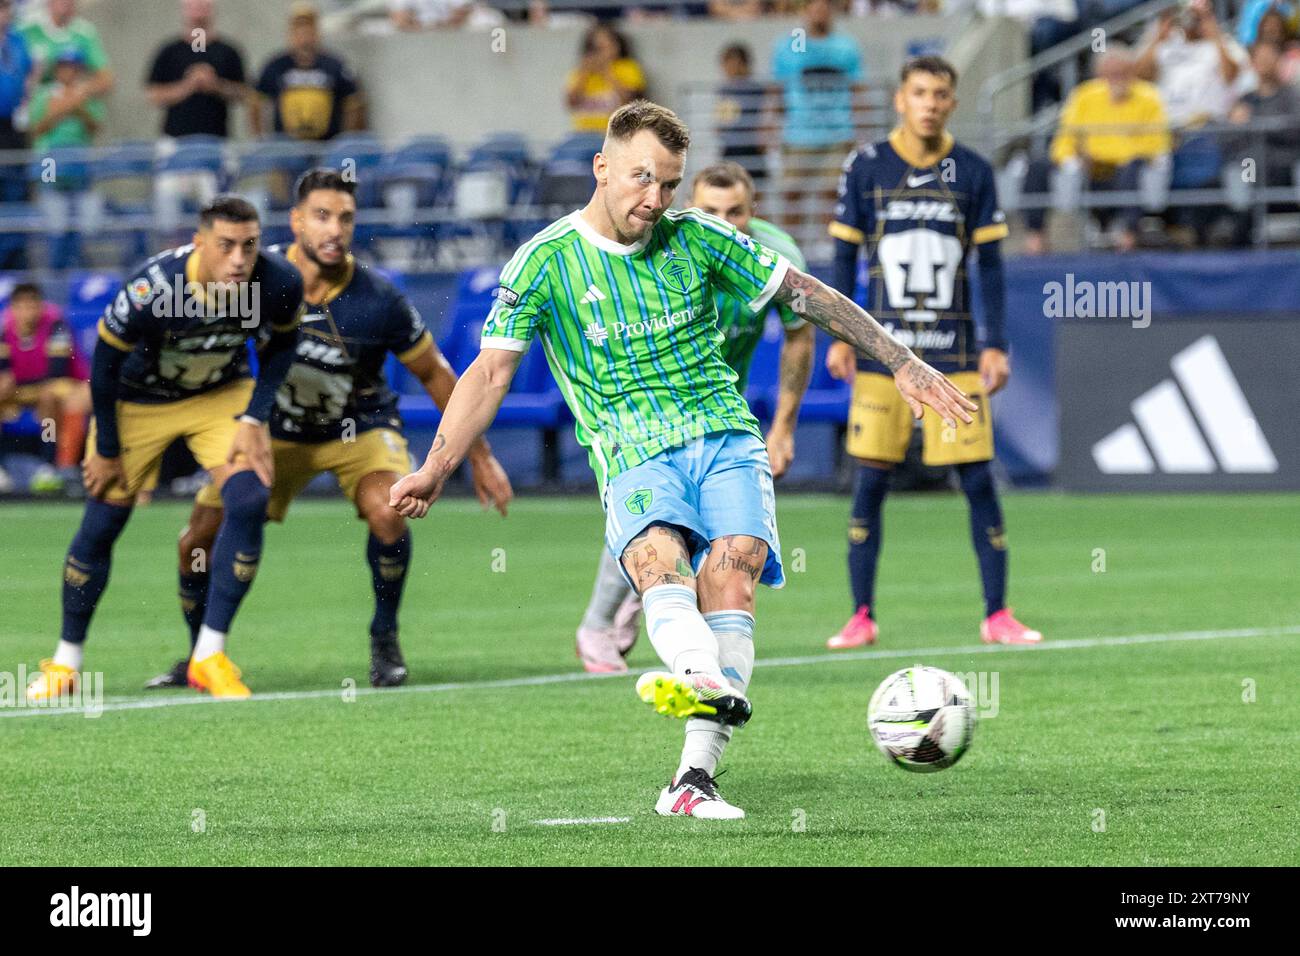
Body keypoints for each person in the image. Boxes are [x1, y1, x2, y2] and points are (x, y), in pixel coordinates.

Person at [387, 100, 975, 819]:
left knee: (734, 575)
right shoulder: (544, 261)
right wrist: (435, 466)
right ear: (602, 168)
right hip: (632, 448)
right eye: (642, 179)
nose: (655, 199)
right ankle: (702, 673)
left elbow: (806, 296)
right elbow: (487, 375)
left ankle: (693, 781)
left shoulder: (697, 237)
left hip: (725, 436)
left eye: (669, 183)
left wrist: (902, 360)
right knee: (658, 561)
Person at [144, 169, 514, 691]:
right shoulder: (255, 274)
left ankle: (384, 638)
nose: (334, 229)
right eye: (321, 216)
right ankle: (198, 655)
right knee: (195, 541)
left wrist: (477, 454)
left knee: (389, 512)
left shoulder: (379, 299)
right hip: (269, 428)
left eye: (345, 218)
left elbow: (434, 372)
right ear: (296, 221)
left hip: (357, 427)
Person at [23, 195, 304, 703]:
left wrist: (255, 418)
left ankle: (209, 656)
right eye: (226, 246)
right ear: (199, 244)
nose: (239, 259)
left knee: (249, 499)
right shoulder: (155, 287)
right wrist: (106, 446)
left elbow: (283, 346)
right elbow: (105, 363)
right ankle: (66, 663)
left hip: (220, 396)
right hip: (139, 401)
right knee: (103, 520)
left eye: (249, 245)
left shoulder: (278, 281)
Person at [825, 56, 1043, 650]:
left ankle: (998, 614)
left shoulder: (972, 170)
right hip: (881, 357)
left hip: (954, 354)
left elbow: (992, 265)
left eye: (940, 94)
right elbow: (843, 260)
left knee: (976, 479)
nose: (929, 103)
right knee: (869, 481)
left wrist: (996, 343)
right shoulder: (866, 167)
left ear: (951, 102)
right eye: (919, 92)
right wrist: (841, 337)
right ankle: (860, 615)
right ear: (901, 99)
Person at [574, 160, 814, 674]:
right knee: (651, 515)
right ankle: (602, 623)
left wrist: (784, 428)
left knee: (719, 537)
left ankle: (683, 640)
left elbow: (800, 335)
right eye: (710, 212)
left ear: (756, 212)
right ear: (687, 208)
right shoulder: (661, 248)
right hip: (647, 411)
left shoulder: (774, 257)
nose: (724, 225)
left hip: (721, 413)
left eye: (736, 214)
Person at [1022, 44, 1171, 254]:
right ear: (1100, 74)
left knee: (1133, 168)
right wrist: (1073, 160)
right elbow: (1064, 141)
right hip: (1086, 170)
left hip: (1125, 171)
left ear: (1132, 72)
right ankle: (1035, 238)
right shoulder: (1084, 96)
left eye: (1122, 73)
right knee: (1037, 166)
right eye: (1111, 74)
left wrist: (1105, 155)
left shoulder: (1150, 97)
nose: (1117, 79)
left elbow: (1156, 145)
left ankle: (1128, 237)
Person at [771, 0, 863, 238]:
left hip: (838, 134)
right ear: (804, 10)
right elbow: (776, 92)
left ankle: (833, 249)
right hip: (798, 135)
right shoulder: (788, 47)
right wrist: (770, 130)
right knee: (791, 195)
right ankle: (790, 251)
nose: (819, 11)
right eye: (813, 5)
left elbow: (858, 92)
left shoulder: (846, 47)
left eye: (824, 6)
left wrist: (861, 132)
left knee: (832, 196)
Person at [0, 280, 88, 491]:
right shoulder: (4, 331)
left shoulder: (56, 326)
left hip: (62, 387)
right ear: (13, 309)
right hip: (22, 390)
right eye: (21, 307)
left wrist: (16, 388)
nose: (27, 312)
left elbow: (56, 372)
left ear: (40, 306)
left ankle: (50, 462)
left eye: (31, 306)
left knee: (48, 396)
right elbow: (3, 370)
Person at [28, 47, 103, 269]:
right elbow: (38, 127)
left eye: (73, 67)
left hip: (79, 166)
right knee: (56, 225)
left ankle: (78, 270)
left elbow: (94, 127)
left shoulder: (86, 94)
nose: (68, 72)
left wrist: (77, 106)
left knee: (82, 223)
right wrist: (68, 105)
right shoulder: (44, 94)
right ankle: (56, 272)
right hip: (51, 162)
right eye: (64, 67)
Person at [251, 1, 364, 141]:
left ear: (317, 32)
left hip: (327, 146)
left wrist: (345, 142)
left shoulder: (336, 66)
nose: (304, 37)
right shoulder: (275, 66)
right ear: (290, 33)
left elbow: (354, 104)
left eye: (308, 30)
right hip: (287, 149)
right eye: (298, 30)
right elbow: (255, 102)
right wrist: (261, 140)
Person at [145, 0, 247, 139]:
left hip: (218, 137)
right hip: (174, 137)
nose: (198, 13)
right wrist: (187, 86)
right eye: (193, 6)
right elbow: (153, 95)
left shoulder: (228, 52)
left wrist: (215, 85)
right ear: (184, 10)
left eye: (203, 6)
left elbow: (243, 93)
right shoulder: (168, 52)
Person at [18, 0, 112, 97]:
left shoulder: (85, 32)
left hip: (70, 97)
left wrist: (76, 92)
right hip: (31, 97)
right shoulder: (28, 29)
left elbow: (105, 79)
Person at [565, 23, 645, 134]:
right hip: (584, 134)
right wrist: (584, 74)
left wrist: (606, 72)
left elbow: (631, 103)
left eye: (605, 46)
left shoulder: (628, 67)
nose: (601, 53)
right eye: (596, 48)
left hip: (617, 134)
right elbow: (571, 103)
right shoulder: (582, 71)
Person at [0, 0, 32, 270]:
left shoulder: (18, 42)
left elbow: (29, 76)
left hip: (11, 129)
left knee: (16, 195)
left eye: (3, 8)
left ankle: (13, 265)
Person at [715, 43, 770, 189]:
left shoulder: (756, 89)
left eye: (732, 63)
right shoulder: (724, 89)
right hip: (731, 147)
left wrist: (763, 135)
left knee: (755, 189)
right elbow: (722, 119)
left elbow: (765, 114)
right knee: (729, 186)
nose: (728, 69)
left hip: (752, 146)